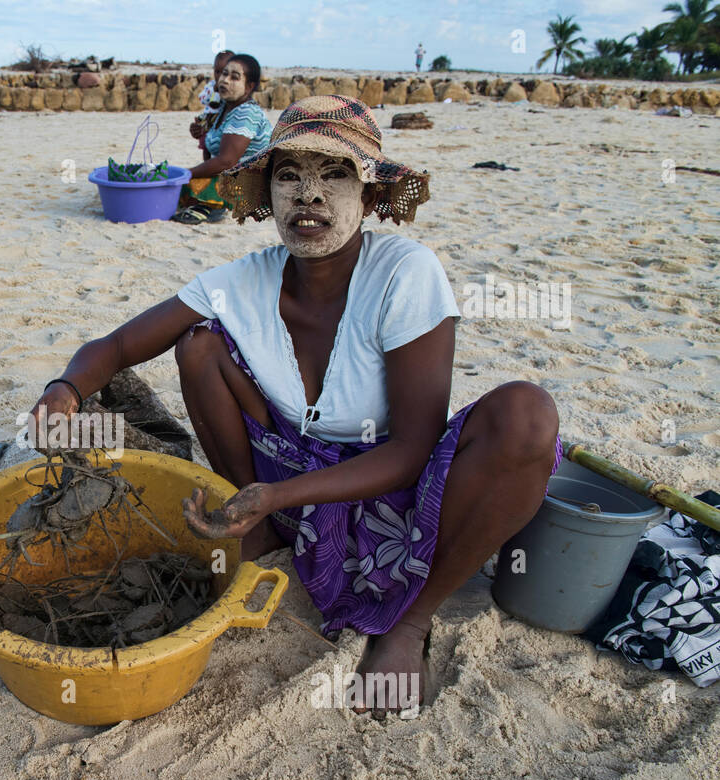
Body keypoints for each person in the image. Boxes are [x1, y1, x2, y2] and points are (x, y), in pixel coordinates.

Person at [29, 95, 561, 717]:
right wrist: (62, 392)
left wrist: (283, 494)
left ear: (368, 195)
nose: (308, 195)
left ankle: (409, 624)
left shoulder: (404, 272)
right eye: (288, 176)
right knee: (199, 344)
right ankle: (252, 524)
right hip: (279, 471)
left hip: (387, 484)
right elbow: (119, 345)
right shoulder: (243, 280)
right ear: (267, 193)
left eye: (334, 175)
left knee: (527, 415)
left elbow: (413, 450)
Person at [172, 53, 271, 225]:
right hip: (230, 176)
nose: (224, 80)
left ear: (249, 86)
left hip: (248, 184)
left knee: (187, 183)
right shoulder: (224, 107)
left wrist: (186, 173)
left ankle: (210, 208)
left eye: (234, 77)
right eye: (224, 74)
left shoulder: (246, 113)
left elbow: (226, 162)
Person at [190, 49, 235, 154]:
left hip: (219, 120)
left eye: (223, 72)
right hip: (209, 117)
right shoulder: (211, 85)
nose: (219, 76)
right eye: (217, 72)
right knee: (204, 141)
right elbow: (202, 99)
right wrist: (212, 91)